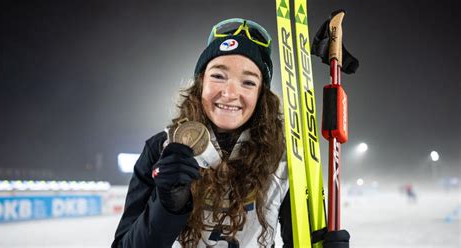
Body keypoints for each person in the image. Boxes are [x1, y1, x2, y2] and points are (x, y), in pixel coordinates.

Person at [112, 18, 350, 248]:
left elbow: (300, 242)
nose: (229, 92)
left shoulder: (286, 156)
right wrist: (167, 206)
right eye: (218, 76)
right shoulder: (162, 148)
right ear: (201, 82)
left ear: (261, 96)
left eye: (248, 82)